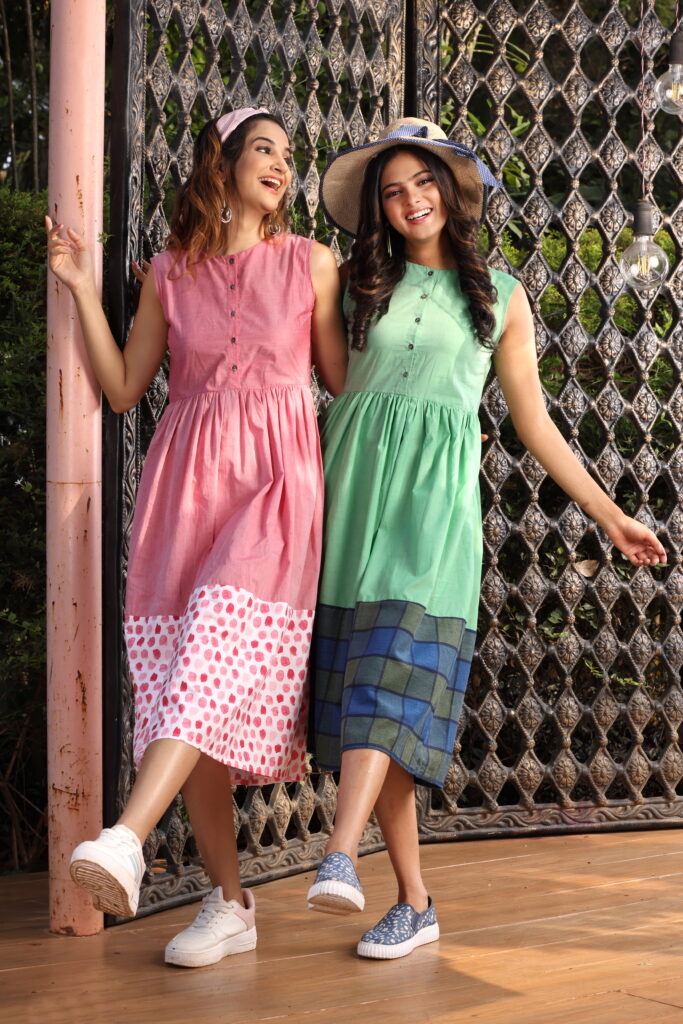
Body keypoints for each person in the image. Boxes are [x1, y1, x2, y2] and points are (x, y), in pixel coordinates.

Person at [305, 118, 667, 960]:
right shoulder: (355, 283)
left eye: (422, 183)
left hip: (431, 514)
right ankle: (415, 903)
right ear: (378, 208)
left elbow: (533, 423)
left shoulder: (501, 296)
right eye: (391, 191)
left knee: (388, 678)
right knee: (371, 702)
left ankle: (337, 853)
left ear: (450, 191)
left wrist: (608, 514)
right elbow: (326, 378)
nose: (409, 201)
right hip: (349, 498)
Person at [46, 107, 347, 968]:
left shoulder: (310, 262)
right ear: (221, 163)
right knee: (188, 686)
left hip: (275, 489)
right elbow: (122, 387)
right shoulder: (169, 272)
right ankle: (229, 903)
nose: (281, 165)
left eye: (288, 154)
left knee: (213, 641)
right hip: (183, 494)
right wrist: (79, 286)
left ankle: (126, 838)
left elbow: (340, 379)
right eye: (264, 149)